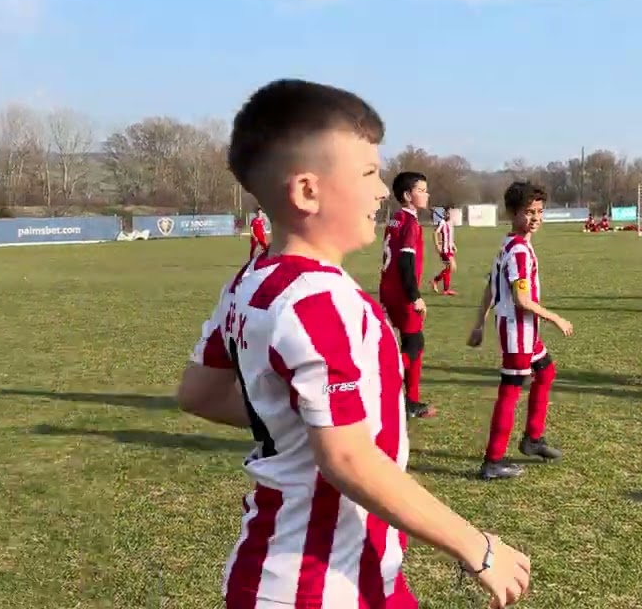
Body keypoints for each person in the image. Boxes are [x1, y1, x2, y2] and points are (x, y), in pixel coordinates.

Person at [176, 79, 531, 609]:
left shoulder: (250, 281)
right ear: (307, 191)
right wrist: (476, 548)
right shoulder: (321, 300)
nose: (381, 189)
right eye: (368, 173)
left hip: (347, 570)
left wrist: (296, 422)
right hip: (314, 587)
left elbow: (199, 393)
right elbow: (347, 457)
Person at [467, 181, 573, 481]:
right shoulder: (519, 252)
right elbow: (521, 300)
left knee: (546, 371)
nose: (536, 218)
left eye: (539, 211)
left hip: (522, 330)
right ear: (513, 213)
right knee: (510, 392)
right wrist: (556, 318)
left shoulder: (511, 243)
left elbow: (491, 285)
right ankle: (493, 461)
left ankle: (532, 439)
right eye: (529, 212)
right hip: (517, 331)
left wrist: (479, 324)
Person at [381, 171, 436, 419]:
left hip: (388, 290)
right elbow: (405, 262)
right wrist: (415, 296)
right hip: (403, 294)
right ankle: (385, 386)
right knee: (414, 344)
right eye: (421, 190)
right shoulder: (410, 224)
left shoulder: (395, 219)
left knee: (411, 343)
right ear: (407, 195)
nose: (426, 194)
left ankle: (409, 401)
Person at [431, 206, 457, 297]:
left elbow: (450, 236)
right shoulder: (442, 222)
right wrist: (437, 245)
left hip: (449, 249)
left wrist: (453, 245)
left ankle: (435, 280)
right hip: (444, 249)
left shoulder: (450, 223)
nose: (448, 214)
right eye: (446, 213)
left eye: (449, 213)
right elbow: (435, 233)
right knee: (451, 267)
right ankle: (445, 290)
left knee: (451, 268)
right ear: (444, 214)